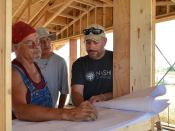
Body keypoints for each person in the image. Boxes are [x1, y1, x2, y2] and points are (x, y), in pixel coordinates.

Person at [12, 21, 97, 122]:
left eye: (37, 41)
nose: (36, 46)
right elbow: (20, 111)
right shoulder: (15, 73)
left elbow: (62, 93)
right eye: (30, 43)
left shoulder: (34, 65)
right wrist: (67, 113)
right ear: (15, 47)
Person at [71, 24, 113, 106]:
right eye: (88, 42)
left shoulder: (116, 59)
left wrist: (104, 97)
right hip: (90, 109)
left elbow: (125, 90)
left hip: (116, 110)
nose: (91, 47)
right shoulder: (79, 64)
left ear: (104, 42)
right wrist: (83, 105)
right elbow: (76, 92)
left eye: (95, 42)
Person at [36, 27, 68, 108]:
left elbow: (64, 91)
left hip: (51, 110)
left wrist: (59, 112)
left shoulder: (60, 62)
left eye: (48, 40)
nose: (46, 44)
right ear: (36, 43)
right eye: (41, 41)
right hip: (30, 110)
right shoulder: (30, 61)